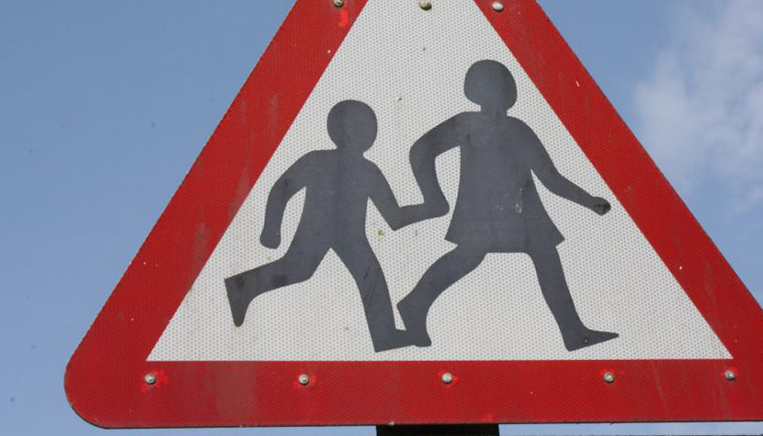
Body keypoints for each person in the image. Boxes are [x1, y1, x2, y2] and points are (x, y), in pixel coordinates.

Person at [397, 60, 618, 351]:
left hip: (522, 211)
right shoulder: (466, 123)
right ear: (478, 91)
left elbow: (550, 177)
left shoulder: (517, 128)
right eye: (497, 86)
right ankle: (414, 304)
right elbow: (421, 150)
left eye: (505, 86)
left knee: (539, 255)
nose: (503, 93)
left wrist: (588, 201)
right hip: (483, 212)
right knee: (470, 256)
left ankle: (573, 332)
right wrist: (433, 197)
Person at [224, 100, 431, 352]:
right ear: (336, 130)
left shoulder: (369, 171)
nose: (362, 134)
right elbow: (282, 189)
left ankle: (385, 335)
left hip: (351, 237)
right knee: (299, 269)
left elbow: (394, 217)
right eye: (355, 127)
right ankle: (242, 286)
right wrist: (271, 229)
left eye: (367, 128)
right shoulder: (318, 160)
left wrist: (428, 209)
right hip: (316, 230)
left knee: (369, 277)